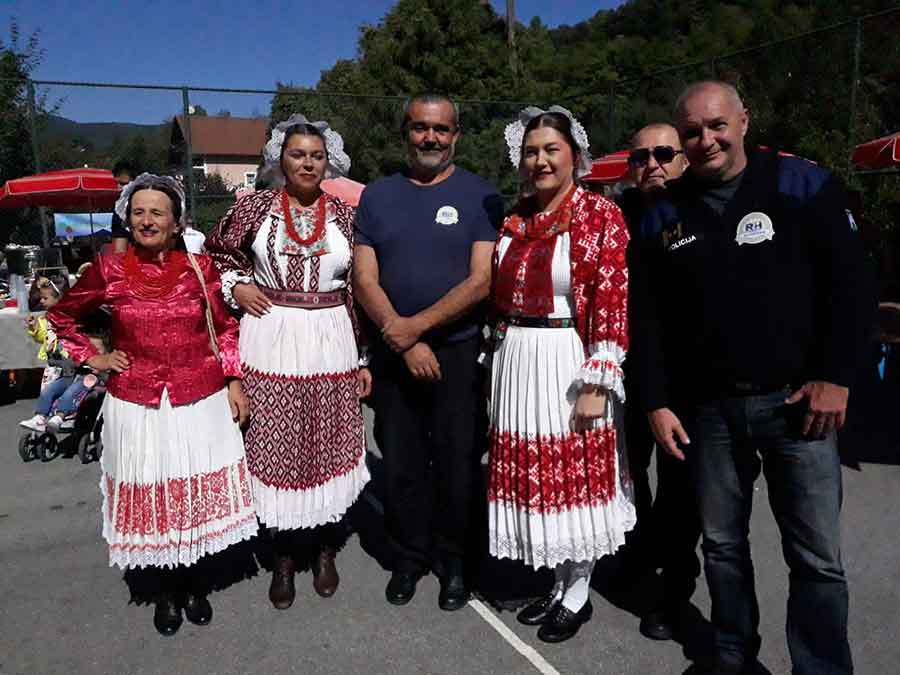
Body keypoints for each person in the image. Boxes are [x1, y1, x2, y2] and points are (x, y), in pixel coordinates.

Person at [632, 81, 870, 674]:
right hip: (708, 411)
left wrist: (836, 376)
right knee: (722, 548)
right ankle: (733, 656)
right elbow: (649, 319)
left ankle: (821, 667)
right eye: (692, 132)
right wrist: (657, 401)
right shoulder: (664, 212)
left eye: (717, 125)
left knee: (816, 558)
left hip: (798, 407)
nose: (706, 140)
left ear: (744, 120)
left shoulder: (802, 184)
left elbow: (851, 287)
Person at [48, 174, 256, 637]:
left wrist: (233, 379)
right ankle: (165, 590)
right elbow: (60, 317)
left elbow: (225, 328)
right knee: (154, 489)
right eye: (138, 212)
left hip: (198, 397)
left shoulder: (201, 268)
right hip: (137, 400)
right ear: (128, 219)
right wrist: (94, 358)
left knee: (190, 492)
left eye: (157, 212)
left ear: (176, 222)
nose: (147, 220)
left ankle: (194, 581)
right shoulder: (108, 270)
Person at [205, 115, 370, 610]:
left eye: (317, 156)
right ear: (281, 159)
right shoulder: (253, 207)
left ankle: (323, 547)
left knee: (326, 440)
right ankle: (282, 553)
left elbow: (359, 288)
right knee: (276, 441)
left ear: (328, 163)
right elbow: (215, 256)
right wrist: (238, 286)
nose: (308, 163)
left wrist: (363, 356)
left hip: (332, 338)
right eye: (298, 154)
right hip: (271, 334)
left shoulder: (345, 216)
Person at [486, 106, 634, 643]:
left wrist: (597, 380)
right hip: (517, 356)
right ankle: (556, 583)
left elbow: (612, 298)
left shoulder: (599, 214)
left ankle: (578, 592)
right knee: (540, 480)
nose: (540, 160)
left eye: (551, 149)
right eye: (531, 152)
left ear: (575, 155)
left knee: (576, 478)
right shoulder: (516, 219)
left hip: (568, 357)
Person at [353, 94, 501, 611]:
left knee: (459, 463)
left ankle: (455, 560)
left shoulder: (481, 195)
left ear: (455, 135)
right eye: (420, 127)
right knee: (402, 462)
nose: (430, 137)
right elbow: (363, 277)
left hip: (457, 356)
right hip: (394, 354)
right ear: (405, 133)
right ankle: (409, 556)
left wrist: (415, 329)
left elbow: (481, 281)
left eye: (440, 129)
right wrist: (402, 338)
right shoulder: (377, 196)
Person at [620, 123, 701, 641]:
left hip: (684, 381)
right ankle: (636, 561)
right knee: (626, 478)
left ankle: (674, 590)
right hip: (623, 374)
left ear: (684, 158)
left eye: (664, 153)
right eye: (641, 156)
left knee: (681, 491)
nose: (652, 164)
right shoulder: (618, 213)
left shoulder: (702, 210)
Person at [110, 161, 135, 253]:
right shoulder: (118, 212)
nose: (119, 187)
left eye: (124, 184)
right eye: (117, 183)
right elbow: (120, 251)